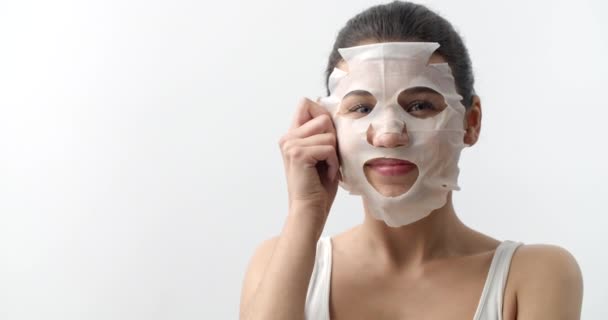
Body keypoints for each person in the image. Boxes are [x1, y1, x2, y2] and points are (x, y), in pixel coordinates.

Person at [239, 2, 583, 319]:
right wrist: (305, 210)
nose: (388, 135)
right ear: (327, 125)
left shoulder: (537, 274)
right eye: (361, 108)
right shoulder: (278, 263)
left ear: (471, 122)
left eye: (420, 105)